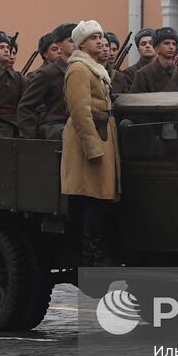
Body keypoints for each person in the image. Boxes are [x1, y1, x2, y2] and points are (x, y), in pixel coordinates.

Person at [62, 20, 120, 267]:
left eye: (101, 37)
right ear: (82, 44)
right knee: (92, 200)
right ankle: (91, 256)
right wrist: (93, 148)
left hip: (103, 134)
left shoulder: (95, 68)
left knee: (101, 200)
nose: (100, 41)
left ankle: (98, 252)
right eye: (94, 37)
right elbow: (80, 111)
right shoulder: (79, 70)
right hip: (89, 141)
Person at [17, 24, 73, 139]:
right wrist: (30, 138)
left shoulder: (82, 70)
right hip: (54, 126)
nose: (76, 44)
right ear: (59, 44)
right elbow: (26, 107)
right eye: (71, 41)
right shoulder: (47, 73)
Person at [128, 27, 178, 93]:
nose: (171, 47)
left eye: (174, 44)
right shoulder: (143, 74)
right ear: (156, 48)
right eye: (167, 43)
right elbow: (135, 102)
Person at [111, 28, 155, 95]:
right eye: (143, 44)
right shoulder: (129, 73)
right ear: (138, 49)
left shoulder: (164, 70)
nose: (147, 46)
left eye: (151, 43)